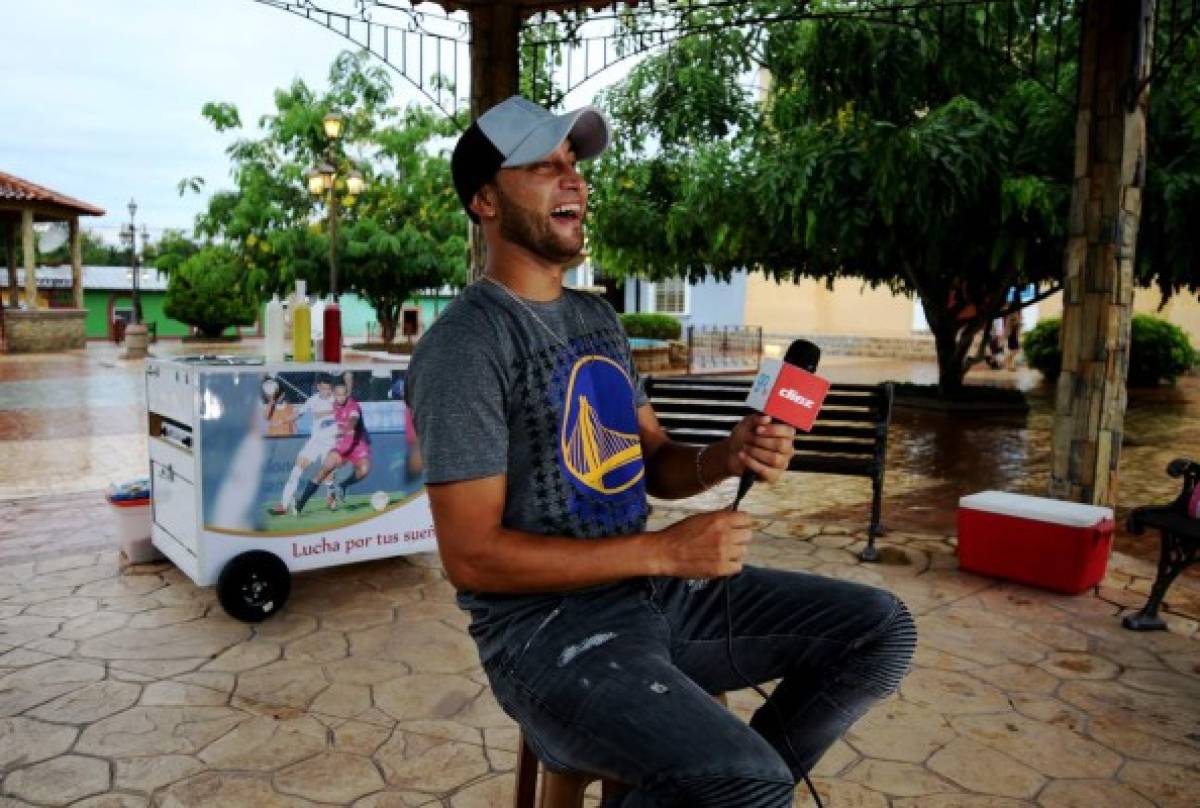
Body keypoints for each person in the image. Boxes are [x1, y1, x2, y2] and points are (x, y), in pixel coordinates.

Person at [405, 96, 916, 807]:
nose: (574, 179)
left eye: (574, 163)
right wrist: (663, 553)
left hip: (656, 600)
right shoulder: (464, 347)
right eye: (545, 165)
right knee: (744, 785)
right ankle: (728, 784)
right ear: (485, 201)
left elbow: (655, 460)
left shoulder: (597, 318)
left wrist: (728, 455)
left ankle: (714, 782)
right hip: (547, 637)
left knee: (880, 632)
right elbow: (473, 556)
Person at [296, 378, 371, 513]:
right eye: (338, 395)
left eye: (344, 394)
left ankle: (343, 485)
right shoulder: (333, 404)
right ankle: (300, 504)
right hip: (342, 444)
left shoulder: (353, 406)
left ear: (348, 394)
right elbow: (321, 413)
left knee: (364, 470)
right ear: (334, 395)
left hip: (357, 443)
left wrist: (347, 428)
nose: (341, 397)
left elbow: (354, 419)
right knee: (324, 471)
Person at [268, 374, 339, 516]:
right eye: (324, 389)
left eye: (329, 389)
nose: (327, 392)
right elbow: (298, 414)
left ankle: (331, 495)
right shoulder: (312, 401)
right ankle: (283, 505)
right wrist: (281, 422)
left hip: (331, 443)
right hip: (315, 442)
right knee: (296, 470)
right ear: (318, 387)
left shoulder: (337, 400)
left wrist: (324, 413)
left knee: (328, 476)